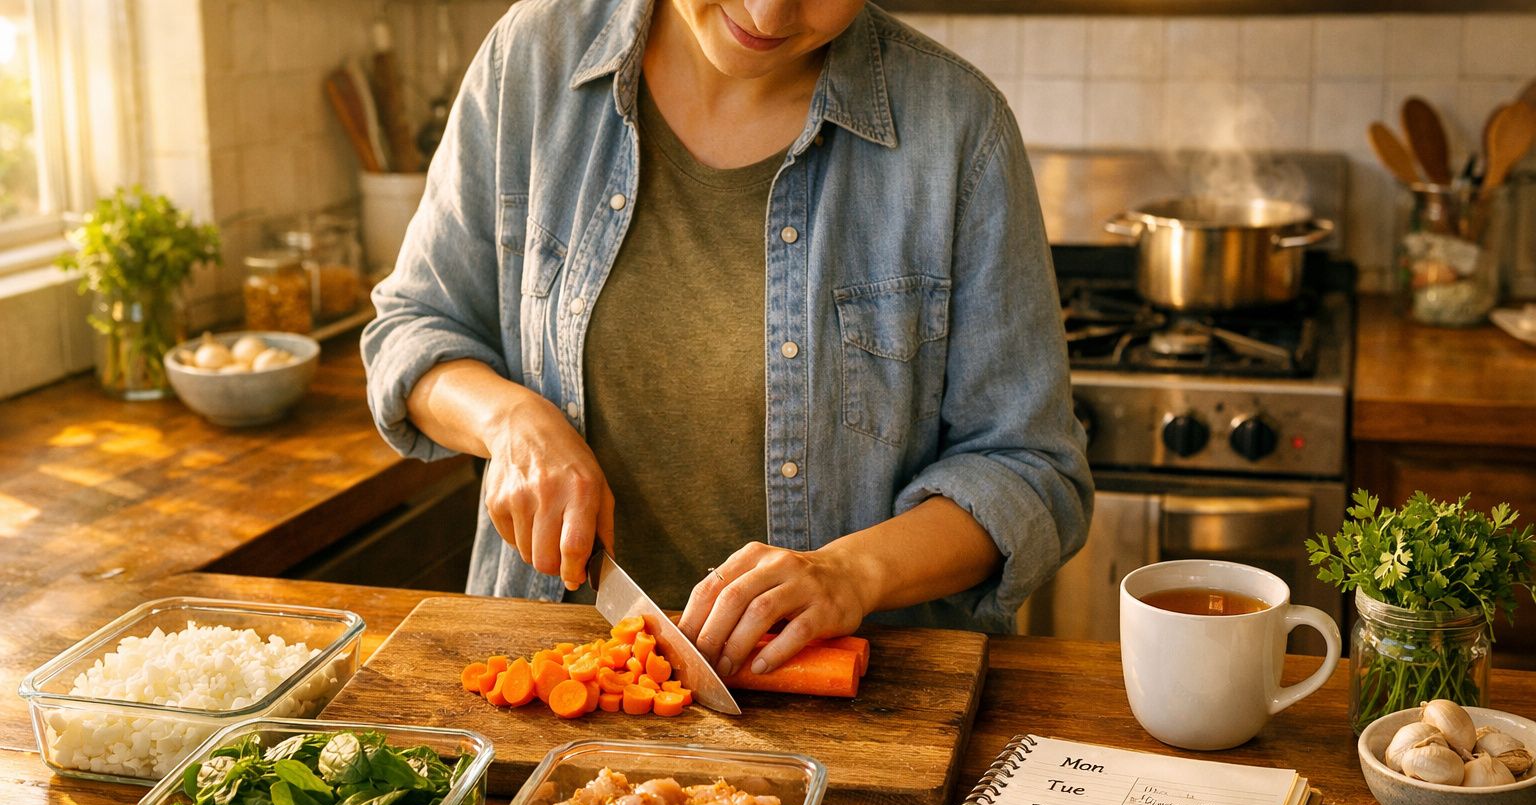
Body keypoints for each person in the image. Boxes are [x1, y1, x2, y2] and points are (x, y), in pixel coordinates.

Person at [361, 0, 1092, 681]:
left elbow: (1030, 469)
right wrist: (510, 422)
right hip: (557, 678)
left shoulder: (959, 128)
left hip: (850, 709)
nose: (770, 13)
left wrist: (852, 573)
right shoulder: (532, 57)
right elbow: (414, 328)